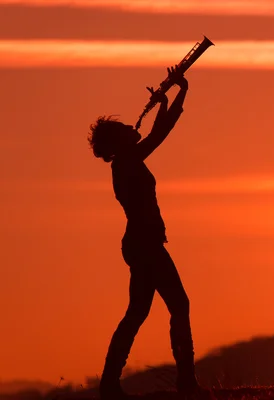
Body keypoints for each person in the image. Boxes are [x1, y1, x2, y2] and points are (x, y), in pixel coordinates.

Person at [87, 65, 204, 399]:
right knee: (178, 305)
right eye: (124, 128)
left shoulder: (128, 160)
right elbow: (158, 135)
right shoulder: (127, 162)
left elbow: (157, 135)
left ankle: (110, 384)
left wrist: (171, 98)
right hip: (145, 245)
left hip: (141, 244)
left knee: (137, 313)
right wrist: (175, 95)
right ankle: (186, 384)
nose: (130, 127)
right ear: (118, 142)